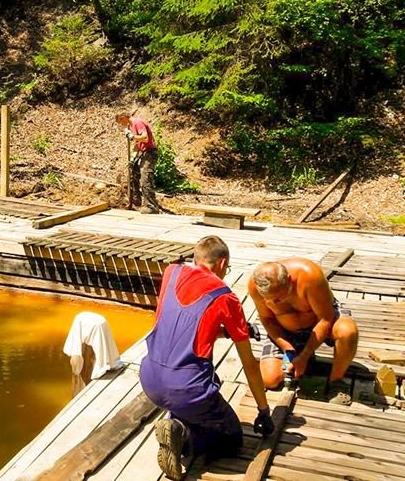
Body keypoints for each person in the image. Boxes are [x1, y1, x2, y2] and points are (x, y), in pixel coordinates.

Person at [140, 236, 273, 481]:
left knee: (190, 407)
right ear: (222, 264)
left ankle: (176, 425)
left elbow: (188, 324)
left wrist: (227, 331)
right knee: (232, 440)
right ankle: (183, 435)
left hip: (149, 378)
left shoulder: (171, 272)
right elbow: (250, 365)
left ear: (196, 258)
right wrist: (264, 411)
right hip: (189, 389)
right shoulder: (226, 297)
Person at [248, 258, 359, 405]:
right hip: (287, 331)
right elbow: (268, 320)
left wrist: (304, 355)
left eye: (279, 297)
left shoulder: (309, 275)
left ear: (288, 279)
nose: (275, 304)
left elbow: (326, 318)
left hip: (322, 320)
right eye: (270, 300)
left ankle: (336, 381)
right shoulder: (254, 286)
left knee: (347, 331)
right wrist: (287, 348)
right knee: (269, 380)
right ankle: (303, 362)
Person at [116, 112, 159, 214]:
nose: (122, 125)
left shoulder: (137, 122)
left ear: (124, 117)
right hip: (143, 153)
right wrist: (133, 158)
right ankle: (137, 202)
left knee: (145, 179)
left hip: (150, 153)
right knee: (134, 175)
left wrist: (132, 136)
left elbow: (145, 138)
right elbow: (138, 145)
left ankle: (152, 206)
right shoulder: (133, 126)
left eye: (121, 122)